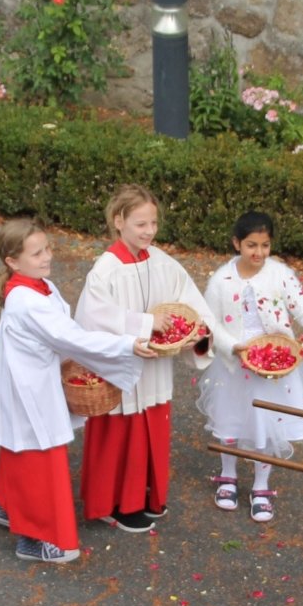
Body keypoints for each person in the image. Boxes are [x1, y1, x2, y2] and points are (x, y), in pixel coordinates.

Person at [0, 218, 156, 564]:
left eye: (46, 247)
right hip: (25, 384)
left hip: (28, 377)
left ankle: (5, 505)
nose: (47, 256)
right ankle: (45, 538)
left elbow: (65, 330)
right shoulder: (26, 300)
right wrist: (126, 345)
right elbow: (70, 337)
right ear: (12, 262)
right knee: (38, 449)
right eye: (36, 253)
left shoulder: (38, 285)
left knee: (22, 441)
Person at [74, 184, 216, 532]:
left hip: (155, 368)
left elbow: (191, 302)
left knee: (151, 425)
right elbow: (92, 320)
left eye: (153, 223)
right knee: (121, 431)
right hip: (122, 368)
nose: (149, 231)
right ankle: (114, 504)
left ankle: (147, 495)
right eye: (140, 224)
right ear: (118, 221)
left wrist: (199, 333)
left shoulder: (163, 262)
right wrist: (144, 325)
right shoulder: (105, 271)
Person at [196, 211, 303, 523]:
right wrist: (232, 346)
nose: (258, 253)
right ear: (236, 243)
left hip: (275, 356)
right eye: (251, 245)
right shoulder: (220, 281)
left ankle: (261, 484)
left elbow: (301, 305)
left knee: (267, 423)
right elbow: (209, 323)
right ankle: (228, 475)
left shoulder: (279, 273)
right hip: (235, 361)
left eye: (265, 246)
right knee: (231, 419)